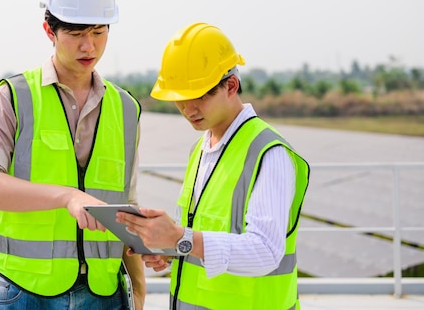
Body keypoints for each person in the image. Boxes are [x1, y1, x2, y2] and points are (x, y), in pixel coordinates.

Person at [0, 0, 145, 310]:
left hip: (103, 294)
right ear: (50, 29)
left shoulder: (126, 108)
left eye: (99, 32)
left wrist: (137, 286)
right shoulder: (13, 97)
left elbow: (127, 202)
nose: (89, 45)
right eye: (76, 33)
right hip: (23, 293)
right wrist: (67, 196)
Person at [117, 22, 309, 309]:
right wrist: (169, 248)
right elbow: (198, 237)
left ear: (231, 85)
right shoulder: (201, 150)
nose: (189, 109)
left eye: (200, 96)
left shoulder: (268, 153)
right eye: (180, 99)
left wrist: (181, 238)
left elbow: (266, 252)